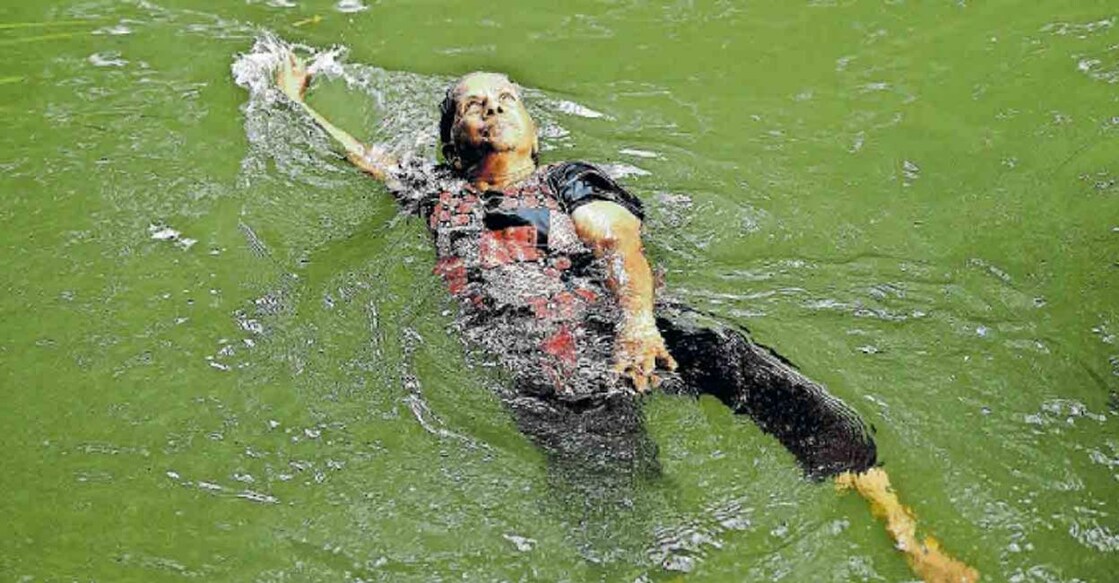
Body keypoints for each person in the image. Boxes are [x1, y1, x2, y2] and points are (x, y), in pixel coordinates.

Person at [265, 50, 978, 581]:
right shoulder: (436, 194)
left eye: (506, 96)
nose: (492, 105)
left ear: (532, 129)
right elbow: (366, 158)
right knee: (610, 511)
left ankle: (905, 535)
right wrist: (292, 99)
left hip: (629, 325)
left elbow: (614, 236)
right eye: (472, 102)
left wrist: (637, 324)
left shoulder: (566, 178)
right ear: (453, 137)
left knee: (779, 394)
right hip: (540, 364)